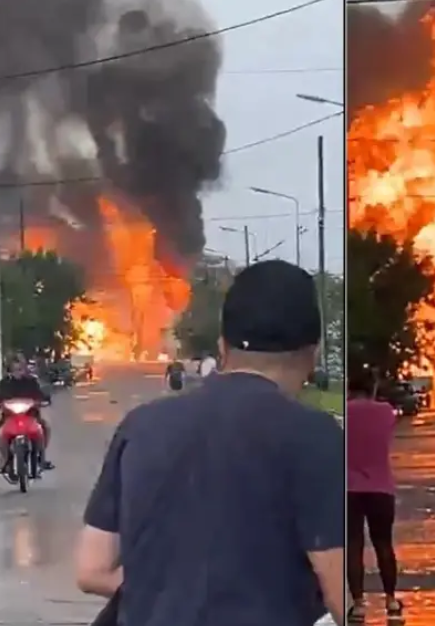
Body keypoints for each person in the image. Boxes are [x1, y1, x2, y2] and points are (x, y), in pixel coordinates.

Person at [73, 260, 346, 626]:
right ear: (312, 354)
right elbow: (342, 595)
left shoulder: (141, 426)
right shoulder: (316, 435)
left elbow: (92, 570)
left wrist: (175, 591)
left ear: (222, 345)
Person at [346, 369, 403, 621]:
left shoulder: (343, 413)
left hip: (348, 488)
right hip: (381, 488)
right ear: (373, 388)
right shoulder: (385, 412)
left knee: (354, 545)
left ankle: (358, 603)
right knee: (383, 544)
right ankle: (391, 600)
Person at [0, 358, 53, 470]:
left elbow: (40, 394)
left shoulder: (31, 382)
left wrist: (43, 400)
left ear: (24, 370)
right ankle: (5, 460)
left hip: (31, 415)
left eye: (19, 369)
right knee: (1, 434)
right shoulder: (4, 383)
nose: (17, 372)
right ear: (9, 370)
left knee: (45, 428)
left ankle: (41, 459)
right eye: (14, 370)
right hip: (9, 417)